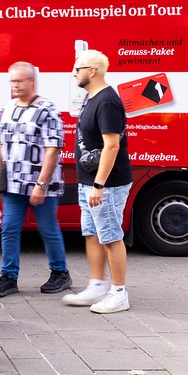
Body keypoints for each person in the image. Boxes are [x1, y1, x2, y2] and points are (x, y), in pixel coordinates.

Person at [0, 62, 70, 298]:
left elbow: (53, 148)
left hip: (41, 183)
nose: (15, 85)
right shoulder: (8, 107)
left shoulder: (47, 109)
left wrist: (41, 184)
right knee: (9, 229)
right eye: (12, 81)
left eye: (19, 81)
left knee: (47, 229)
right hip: (13, 183)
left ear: (31, 81)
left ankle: (60, 272)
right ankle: (9, 277)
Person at [63, 50, 133, 314]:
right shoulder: (91, 98)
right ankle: (97, 286)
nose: (74, 73)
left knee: (111, 235)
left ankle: (118, 293)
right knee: (92, 233)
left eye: (77, 68)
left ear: (92, 71)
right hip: (90, 181)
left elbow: (112, 146)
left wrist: (99, 185)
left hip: (107, 184)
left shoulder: (107, 102)